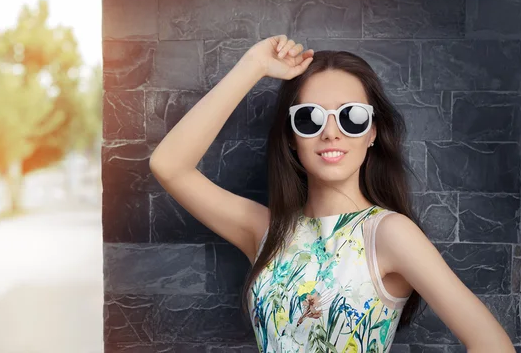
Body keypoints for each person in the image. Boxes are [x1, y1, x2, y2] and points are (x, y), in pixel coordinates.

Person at [149, 35, 515, 352]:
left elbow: (492, 345)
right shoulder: (266, 230)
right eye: (309, 118)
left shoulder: (388, 233)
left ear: (372, 132)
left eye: (351, 117)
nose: (331, 133)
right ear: (292, 138)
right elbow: (169, 165)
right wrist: (252, 66)